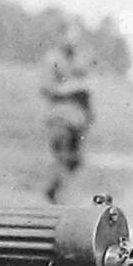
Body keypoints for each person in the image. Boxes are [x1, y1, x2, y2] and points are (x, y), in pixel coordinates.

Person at [39, 24, 95, 204]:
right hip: (60, 116)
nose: (73, 41)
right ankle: (57, 197)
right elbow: (46, 88)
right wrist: (71, 88)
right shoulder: (52, 59)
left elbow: (87, 89)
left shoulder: (80, 60)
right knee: (61, 157)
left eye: (76, 37)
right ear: (61, 37)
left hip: (78, 119)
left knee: (76, 161)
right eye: (70, 37)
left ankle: (56, 191)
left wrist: (89, 112)